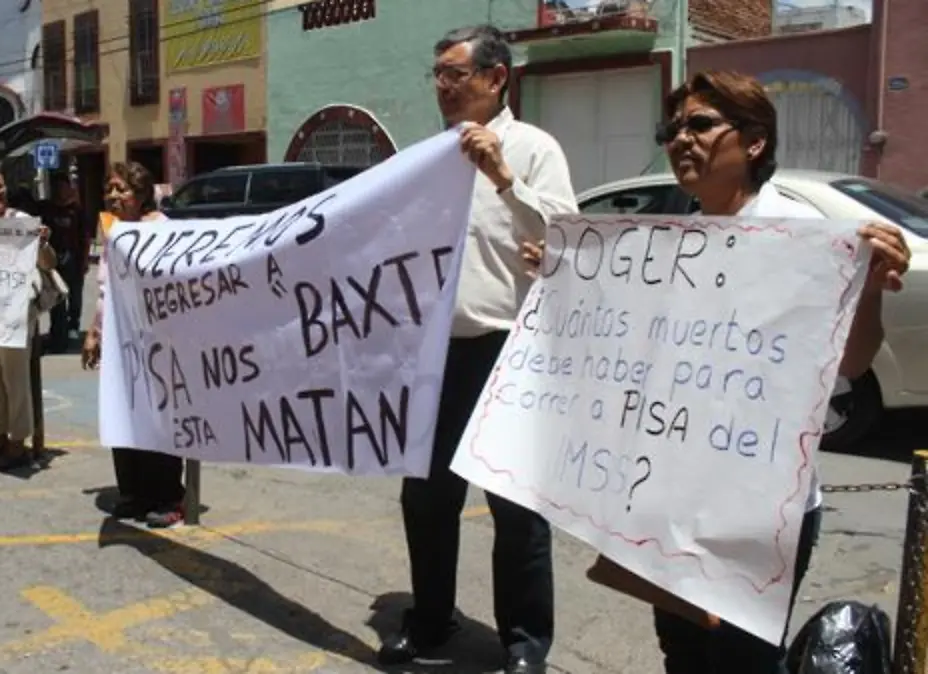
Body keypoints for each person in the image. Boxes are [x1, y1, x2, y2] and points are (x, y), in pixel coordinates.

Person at [638, 69, 909, 674]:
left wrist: (867, 290)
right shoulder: (678, 240)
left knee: (741, 660)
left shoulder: (803, 236)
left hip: (760, 508)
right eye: (672, 129)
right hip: (677, 492)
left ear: (755, 140)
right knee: (682, 650)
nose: (681, 139)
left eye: (700, 124)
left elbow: (851, 363)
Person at [378, 26, 577, 674]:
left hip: (508, 349)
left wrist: (504, 179)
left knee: (515, 509)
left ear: (496, 78)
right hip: (436, 353)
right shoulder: (428, 157)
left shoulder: (535, 149)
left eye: (455, 74)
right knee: (427, 498)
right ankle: (431, 620)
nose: (443, 86)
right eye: (436, 74)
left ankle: (523, 643)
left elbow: (567, 239)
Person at [81, 161, 186, 529]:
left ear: (141, 194)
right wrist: (94, 332)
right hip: (120, 340)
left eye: (121, 189)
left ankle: (168, 496)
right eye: (109, 189)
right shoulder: (112, 232)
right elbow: (105, 288)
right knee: (123, 413)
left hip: (157, 339)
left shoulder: (162, 228)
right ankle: (135, 492)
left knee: (157, 417)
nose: (113, 196)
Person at [0, 164, 56, 472]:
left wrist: (42, 242)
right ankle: (0, 437)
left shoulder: (20, 222)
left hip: (14, 312)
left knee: (15, 380)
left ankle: (18, 444)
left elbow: (49, 263)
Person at [42, 175, 89, 353]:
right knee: (56, 297)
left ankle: (73, 326)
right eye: (57, 188)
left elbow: (85, 237)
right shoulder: (47, 210)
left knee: (75, 295)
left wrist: (84, 260)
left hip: (74, 258)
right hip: (54, 260)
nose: (61, 191)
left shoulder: (76, 211)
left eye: (64, 187)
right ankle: (57, 332)